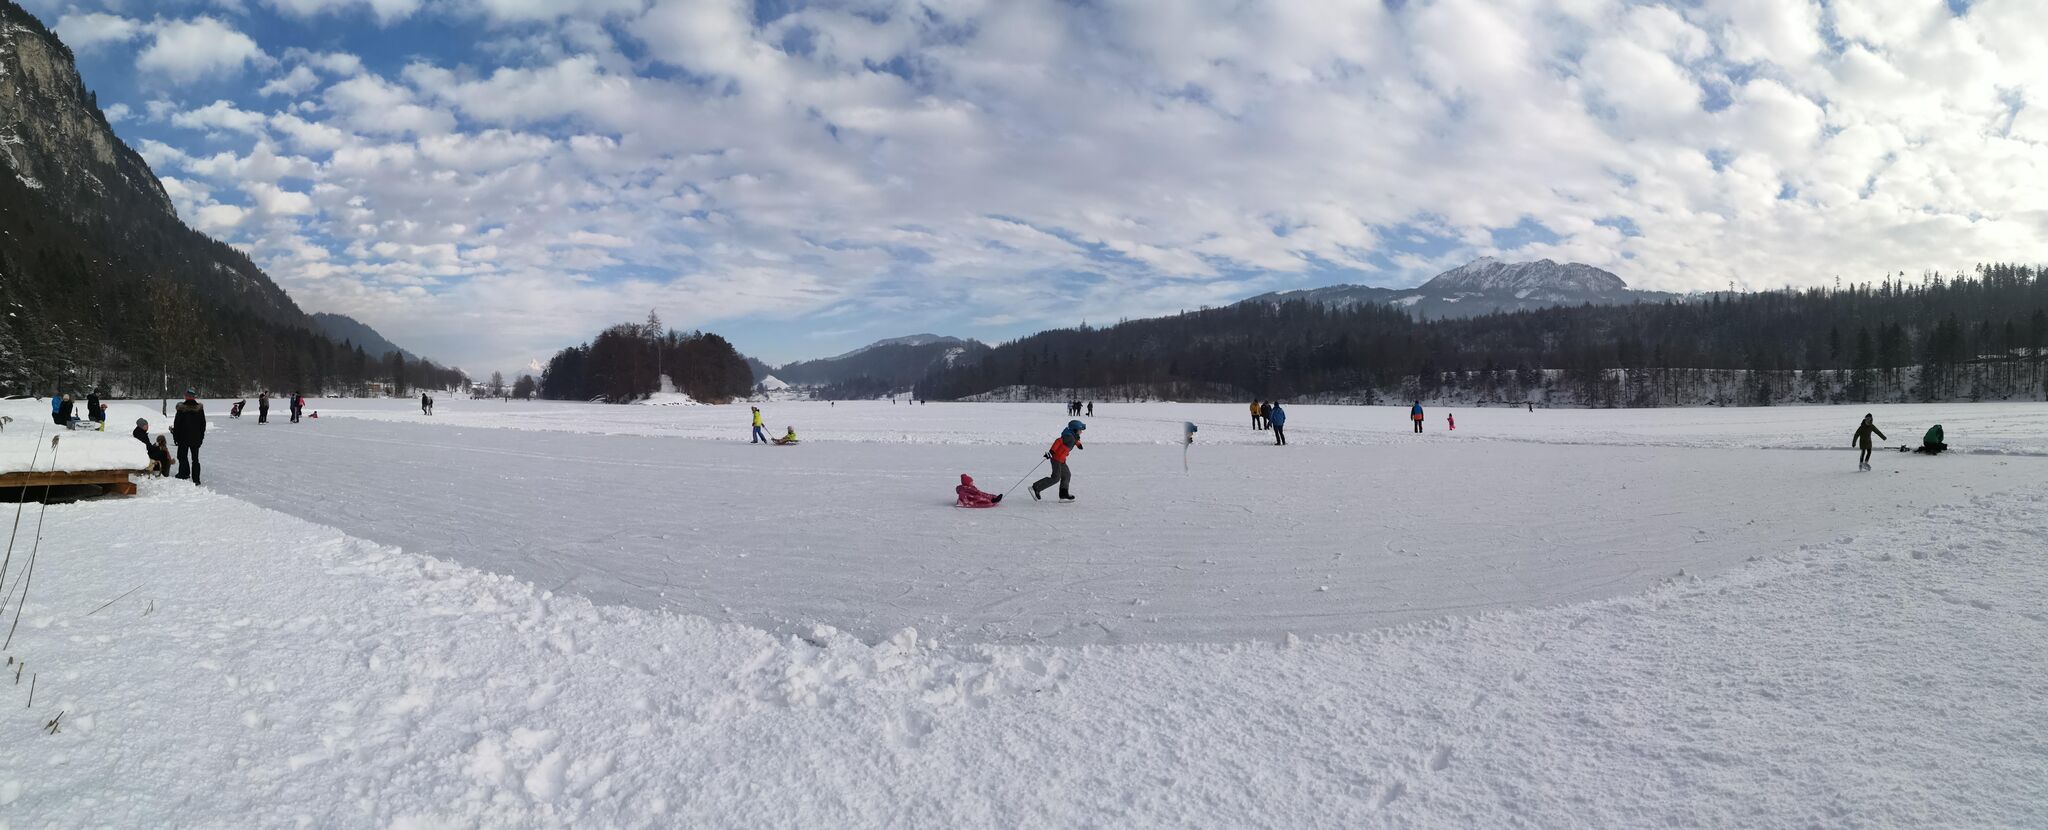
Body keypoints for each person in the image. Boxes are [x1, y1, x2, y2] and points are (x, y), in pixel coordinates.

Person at [1031, 420, 1085, 501]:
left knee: (1066, 475)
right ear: (1074, 430)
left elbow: (1075, 440)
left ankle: (1063, 494)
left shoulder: (1073, 436)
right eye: (1080, 430)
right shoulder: (1068, 437)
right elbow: (1058, 441)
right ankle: (1036, 487)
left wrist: (1078, 444)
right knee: (1056, 478)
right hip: (1056, 459)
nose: (1081, 432)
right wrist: (1051, 452)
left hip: (1062, 460)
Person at [172, 389, 207, 485]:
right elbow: (203, 425)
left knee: (182, 456)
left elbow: (177, 424)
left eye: (186, 395)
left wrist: (176, 437)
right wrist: (201, 437)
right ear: (194, 397)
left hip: (183, 438)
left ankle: (184, 474)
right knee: (195, 459)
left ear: (187, 396)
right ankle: (196, 479)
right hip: (196, 438)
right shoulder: (199, 409)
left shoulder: (181, 409)